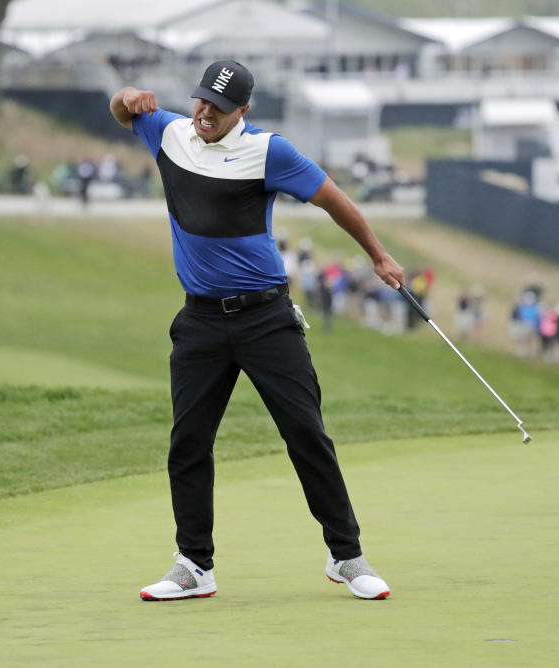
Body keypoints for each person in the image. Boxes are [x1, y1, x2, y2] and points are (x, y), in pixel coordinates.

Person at [109, 60, 403, 602]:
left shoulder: (271, 152)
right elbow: (122, 109)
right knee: (188, 444)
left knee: (306, 434)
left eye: (217, 109)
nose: (204, 113)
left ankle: (347, 556)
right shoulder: (171, 131)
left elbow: (334, 200)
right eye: (200, 100)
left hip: (266, 318)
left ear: (242, 111)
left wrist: (379, 256)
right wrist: (129, 95)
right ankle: (194, 566)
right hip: (199, 320)